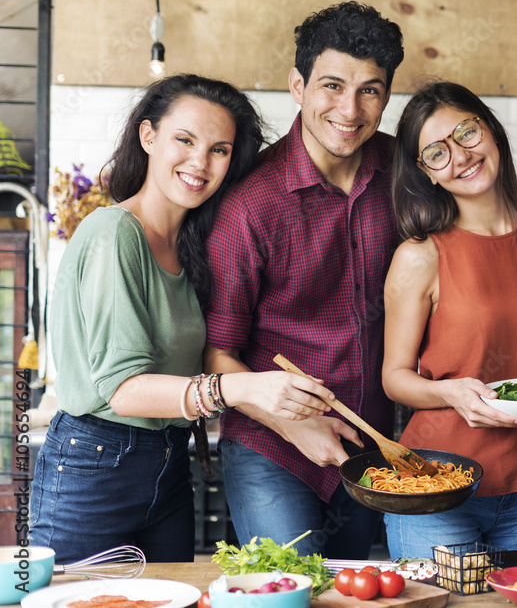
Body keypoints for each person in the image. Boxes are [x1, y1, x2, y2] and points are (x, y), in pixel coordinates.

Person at [29, 74, 335, 563]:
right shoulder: (113, 234)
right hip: (96, 465)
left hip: (170, 462)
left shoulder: (191, 246)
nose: (200, 162)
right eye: (184, 140)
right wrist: (242, 388)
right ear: (148, 137)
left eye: (219, 149)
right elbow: (122, 390)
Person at [204, 2, 404, 559]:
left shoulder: (401, 173)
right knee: (287, 592)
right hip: (273, 448)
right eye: (332, 85)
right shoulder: (250, 204)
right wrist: (295, 426)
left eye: (370, 90)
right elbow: (216, 354)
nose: (350, 108)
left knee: (354, 594)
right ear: (298, 84)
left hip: (370, 448)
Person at [381, 81, 517, 559]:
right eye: (436, 153)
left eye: (466, 132)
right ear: (426, 173)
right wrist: (446, 391)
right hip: (437, 487)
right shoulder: (420, 256)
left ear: (491, 130)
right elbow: (394, 378)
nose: (460, 156)